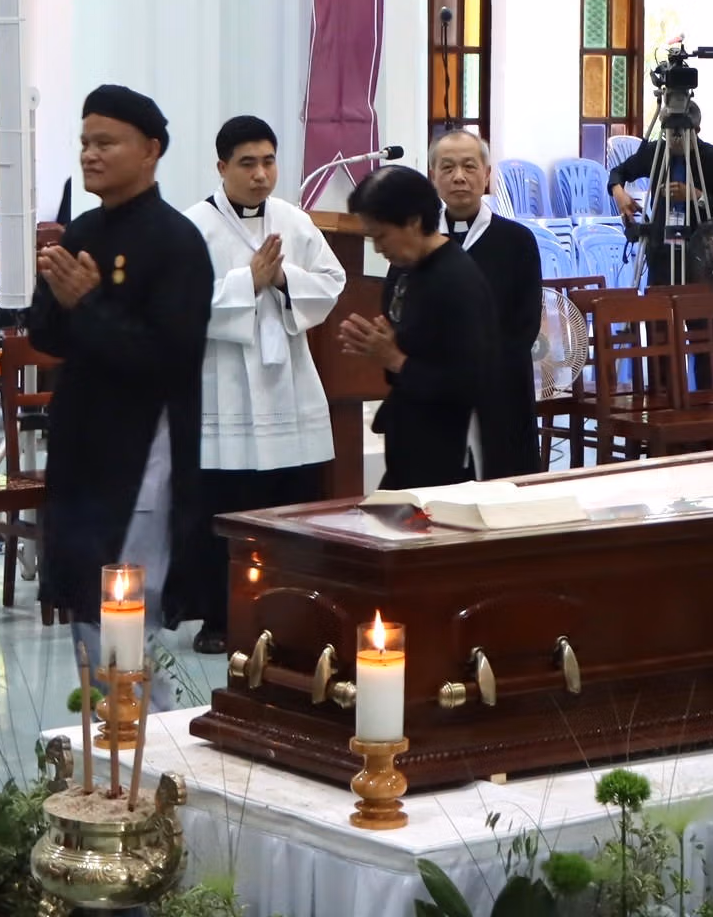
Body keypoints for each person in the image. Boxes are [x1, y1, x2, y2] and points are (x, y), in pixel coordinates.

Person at [28, 86, 214, 691]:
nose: (90, 154)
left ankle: (148, 737)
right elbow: (46, 333)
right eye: (85, 142)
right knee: (87, 602)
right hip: (82, 446)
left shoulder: (177, 242)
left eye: (106, 143)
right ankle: (109, 739)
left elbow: (167, 358)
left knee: (126, 611)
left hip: (143, 456)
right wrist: (67, 304)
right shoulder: (82, 230)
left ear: (151, 150)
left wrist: (88, 303)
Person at [177, 117, 346, 651]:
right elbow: (176, 305)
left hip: (287, 384)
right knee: (224, 506)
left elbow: (333, 281)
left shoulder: (294, 221)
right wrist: (244, 283)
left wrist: (284, 279)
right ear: (221, 166)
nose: (260, 175)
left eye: (269, 162)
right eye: (247, 164)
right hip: (223, 384)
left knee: (290, 502)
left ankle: (293, 609)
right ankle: (220, 618)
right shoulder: (193, 228)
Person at [338, 165, 497, 489]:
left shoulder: (457, 280)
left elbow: (470, 383)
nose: (377, 248)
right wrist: (380, 349)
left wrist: (395, 359)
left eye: (381, 236)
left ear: (412, 221)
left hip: (446, 454)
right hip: (407, 441)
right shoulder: (402, 269)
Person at [423, 129, 544, 475]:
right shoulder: (419, 242)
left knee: (505, 487)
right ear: (433, 176)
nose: (459, 177)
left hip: (502, 392)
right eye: (447, 167)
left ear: (487, 174)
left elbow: (524, 326)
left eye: (469, 166)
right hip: (436, 396)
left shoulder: (517, 241)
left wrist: (474, 370)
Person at [609, 129, 713, 286]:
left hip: (698, 250)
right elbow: (617, 173)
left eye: (680, 135)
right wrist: (619, 194)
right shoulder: (656, 152)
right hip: (660, 250)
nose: (675, 142)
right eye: (670, 135)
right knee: (658, 298)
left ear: (696, 129)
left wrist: (697, 196)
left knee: (696, 299)